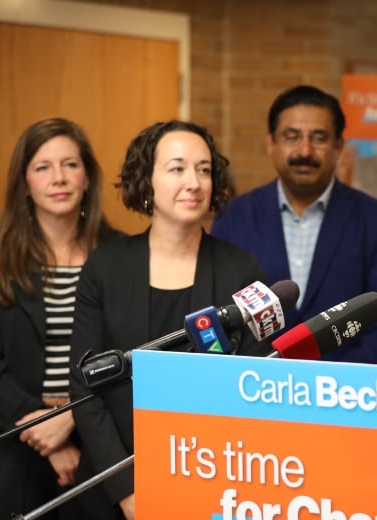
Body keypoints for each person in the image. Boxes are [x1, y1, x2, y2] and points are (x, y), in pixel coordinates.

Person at [68, 120, 268, 520]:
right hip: (116, 491)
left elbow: (255, 387)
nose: (193, 182)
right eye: (177, 168)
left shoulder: (241, 271)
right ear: (147, 181)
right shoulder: (105, 268)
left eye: (204, 169)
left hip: (213, 483)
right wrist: (128, 491)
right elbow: (85, 387)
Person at [0, 117, 117, 519]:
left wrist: (72, 417)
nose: (59, 178)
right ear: (24, 183)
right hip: (11, 445)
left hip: (102, 445)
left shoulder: (123, 258)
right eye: (43, 167)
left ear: (88, 177)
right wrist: (48, 434)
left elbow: (133, 354)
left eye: (70, 165)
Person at [212, 84, 377, 363]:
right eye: (292, 137)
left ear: (339, 146)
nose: (305, 150)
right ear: (271, 143)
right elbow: (224, 314)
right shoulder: (233, 216)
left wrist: (336, 385)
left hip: (346, 392)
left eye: (319, 138)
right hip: (254, 387)